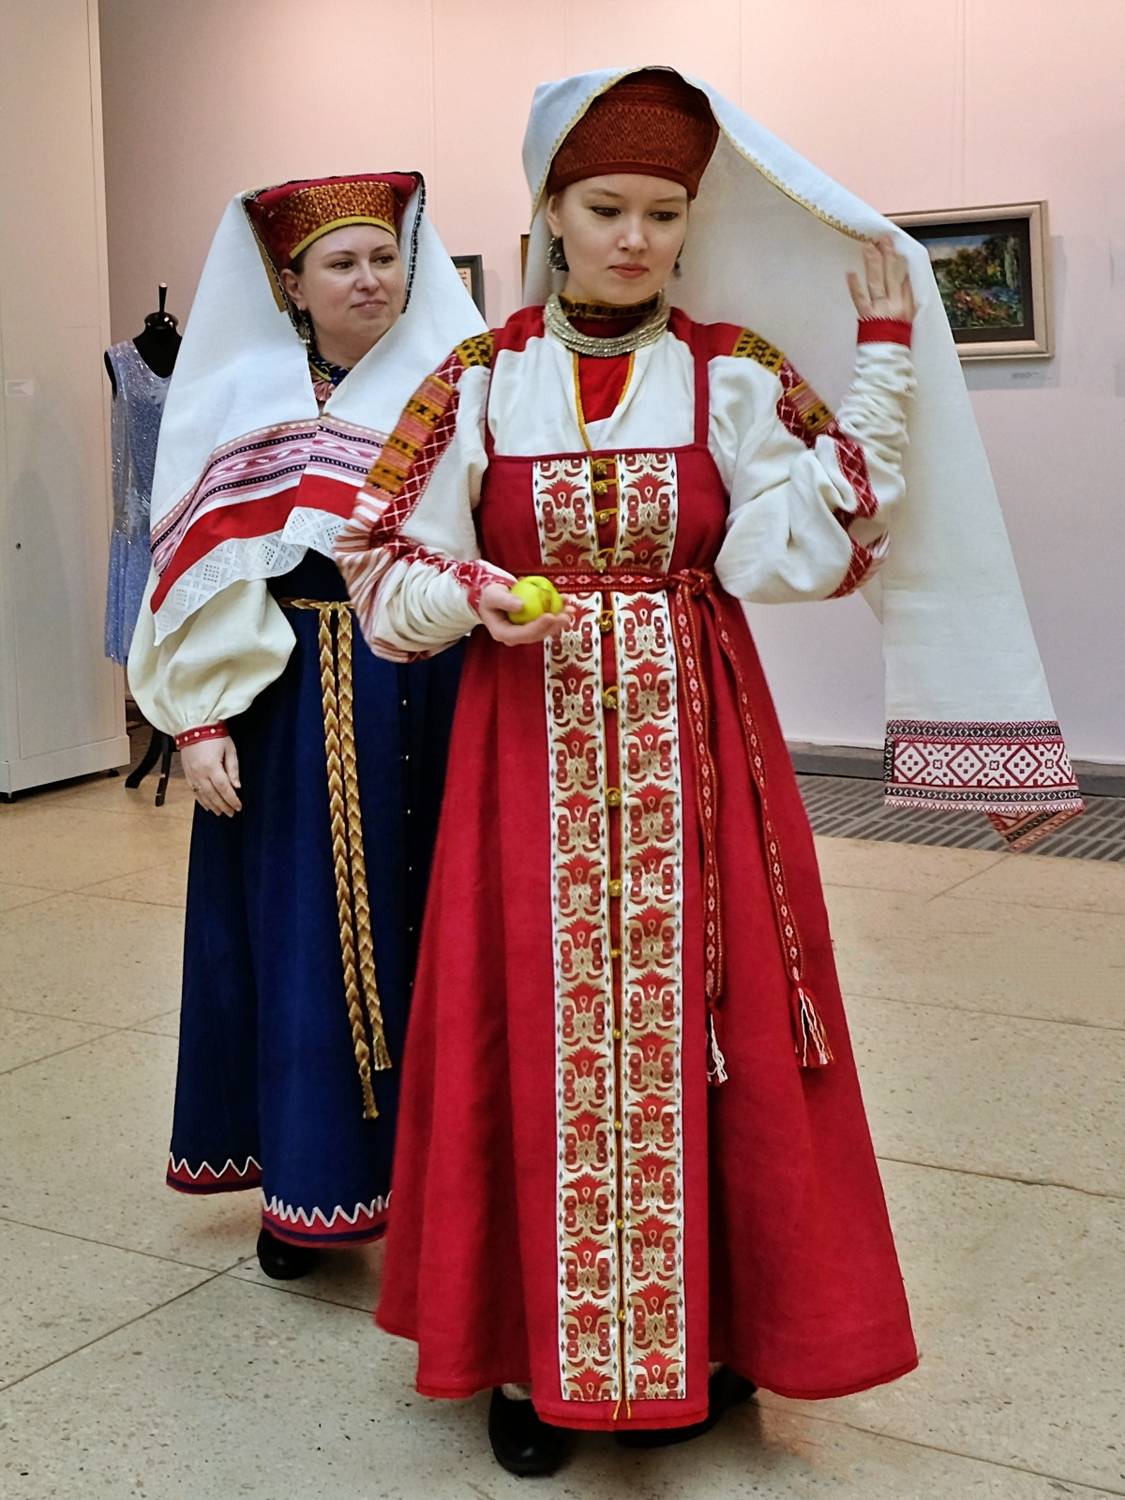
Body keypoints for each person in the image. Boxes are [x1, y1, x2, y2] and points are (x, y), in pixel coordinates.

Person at [335, 71, 1082, 1475]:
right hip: (523, 752)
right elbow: (382, 561)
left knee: (714, 1023)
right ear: (551, 216)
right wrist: (475, 594)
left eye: (663, 213)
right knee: (528, 1028)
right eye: (605, 208)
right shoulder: (479, 377)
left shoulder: (731, 367)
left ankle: (716, 1340)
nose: (635, 238)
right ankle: (529, 1362)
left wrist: (880, 361)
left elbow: (788, 549)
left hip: (698, 744)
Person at [128, 174, 483, 1278]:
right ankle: (311, 1190)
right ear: (291, 283)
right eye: (341, 263)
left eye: (383, 258)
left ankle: (450, 1195)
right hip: (290, 697)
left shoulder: (461, 378)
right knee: (302, 943)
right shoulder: (240, 393)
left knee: (446, 927)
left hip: (444, 682)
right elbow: (192, 569)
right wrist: (197, 720)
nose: (368, 279)